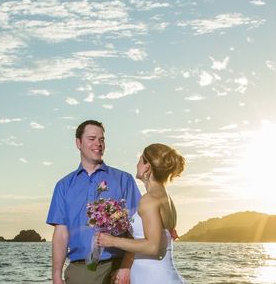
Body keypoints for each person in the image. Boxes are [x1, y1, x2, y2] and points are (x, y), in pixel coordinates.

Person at [47, 120, 141, 284]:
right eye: (92, 138)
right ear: (78, 143)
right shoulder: (63, 186)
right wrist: (56, 275)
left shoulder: (123, 180)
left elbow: (138, 227)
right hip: (80, 272)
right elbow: (61, 235)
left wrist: (127, 266)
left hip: (118, 270)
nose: (98, 144)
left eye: (102, 139)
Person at [97, 143, 186, 284]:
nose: (137, 164)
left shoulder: (149, 199)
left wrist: (112, 241)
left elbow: (153, 246)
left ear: (147, 167)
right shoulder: (166, 198)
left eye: (139, 160)